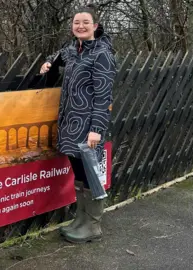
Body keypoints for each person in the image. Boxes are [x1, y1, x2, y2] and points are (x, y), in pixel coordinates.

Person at [40, 3, 116, 244]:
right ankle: (81, 220)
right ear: (72, 26)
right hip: (70, 124)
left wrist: (96, 129)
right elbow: (59, 57)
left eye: (85, 22)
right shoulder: (73, 49)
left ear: (95, 26)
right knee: (79, 173)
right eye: (76, 22)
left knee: (89, 173)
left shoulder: (102, 53)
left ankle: (93, 226)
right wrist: (49, 63)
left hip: (88, 126)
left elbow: (104, 96)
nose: (80, 26)